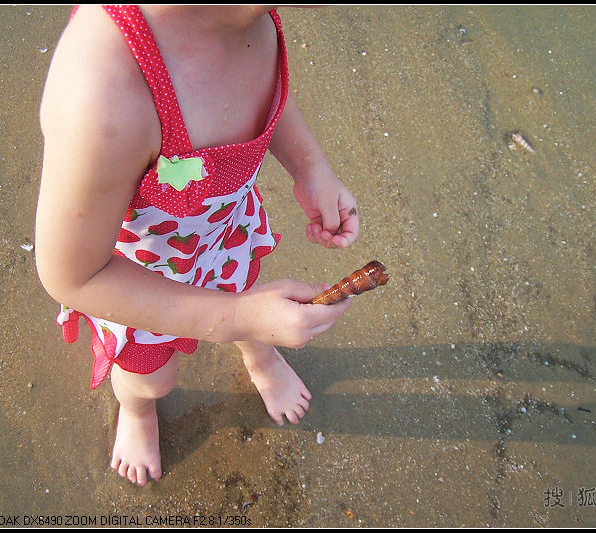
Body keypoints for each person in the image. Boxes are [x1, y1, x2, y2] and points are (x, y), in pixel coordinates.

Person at [35, 5, 358, 487]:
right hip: (138, 281)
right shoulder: (106, 89)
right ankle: (140, 411)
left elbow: (269, 91)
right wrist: (240, 318)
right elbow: (73, 275)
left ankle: (259, 353)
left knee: (248, 297)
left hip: (222, 236)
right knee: (152, 377)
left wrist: (310, 167)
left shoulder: (249, 14)